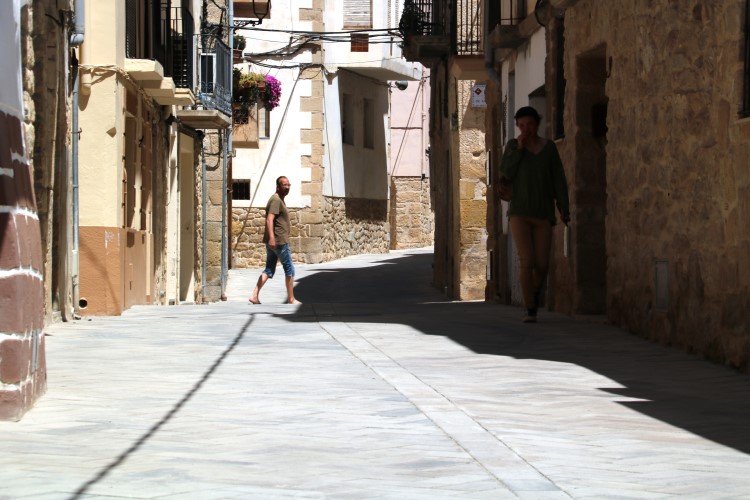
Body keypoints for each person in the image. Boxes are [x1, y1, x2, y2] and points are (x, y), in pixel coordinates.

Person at [499, 106, 570, 323]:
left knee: (542, 264)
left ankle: (535, 293)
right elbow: (506, 172)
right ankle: (530, 307)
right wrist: (519, 150)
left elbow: (558, 178)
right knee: (526, 259)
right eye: (521, 126)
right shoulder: (513, 146)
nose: (525, 129)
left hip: (543, 214)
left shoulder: (548, 149)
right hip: (519, 212)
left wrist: (564, 207)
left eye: (529, 125)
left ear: (537, 124)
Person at [249, 176, 301, 305]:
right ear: (278, 186)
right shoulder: (276, 200)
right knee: (289, 269)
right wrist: (272, 238)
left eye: (289, 185)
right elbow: (269, 219)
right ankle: (291, 299)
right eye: (284, 185)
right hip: (279, 241)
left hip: (275, 241)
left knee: (269, 269)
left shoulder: (279, 200)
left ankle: (254, 295)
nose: (287, 187)